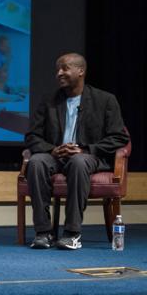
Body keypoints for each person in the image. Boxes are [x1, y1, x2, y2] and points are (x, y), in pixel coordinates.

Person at [25, 53, 129, 250]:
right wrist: (53, 150)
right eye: (57, 69)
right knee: (37, 162)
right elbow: (32, 136)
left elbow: (119, 137)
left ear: (80, 71)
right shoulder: (49, 100)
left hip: (90, 156)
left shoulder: (105, 100)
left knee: (79, 161)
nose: (59, 73)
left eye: (64, 68)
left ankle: (72, 233)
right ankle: (43, 232)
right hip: (56, 156)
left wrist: (85, 149)